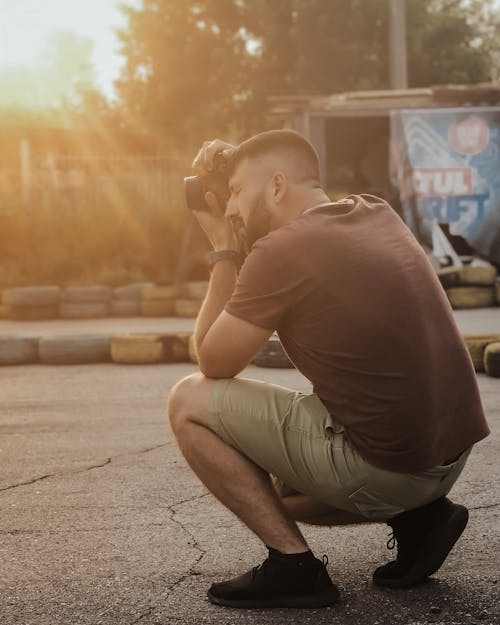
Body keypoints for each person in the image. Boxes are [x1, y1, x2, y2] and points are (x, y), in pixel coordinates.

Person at [167, 129, 489, 609]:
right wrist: (242, 165)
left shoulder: (280, 252)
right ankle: (420, 520)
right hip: (445, 458)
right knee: (277, 494)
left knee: (187, 401)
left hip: (392, 468)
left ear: (277, 186)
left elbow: (213, 361)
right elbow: (279, 162)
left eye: (236, 193)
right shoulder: (376, 212)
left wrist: (222, 249)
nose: (230, 209)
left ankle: (293, 567)